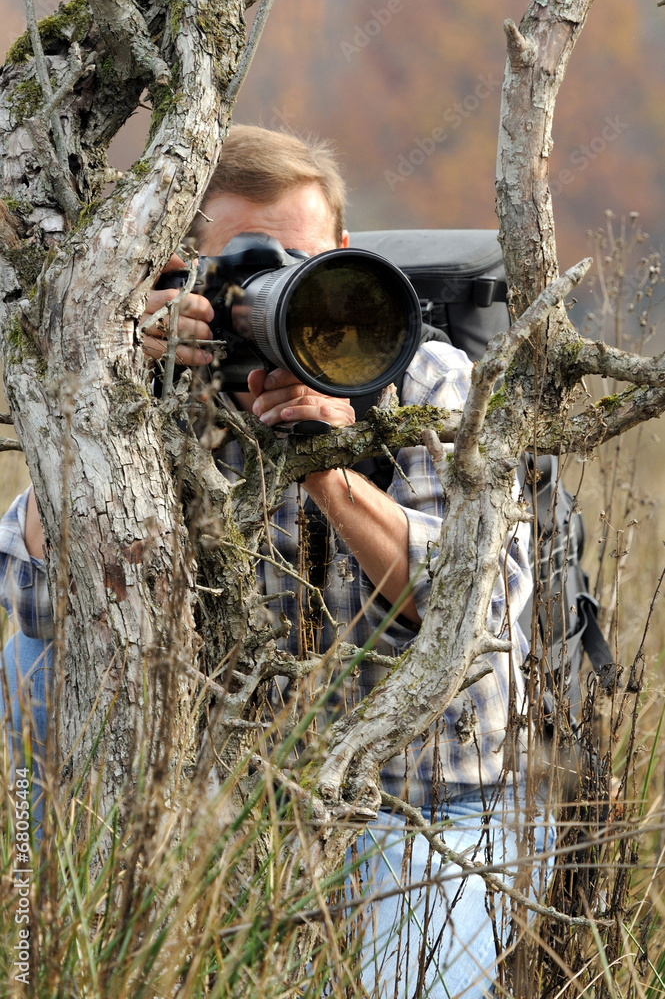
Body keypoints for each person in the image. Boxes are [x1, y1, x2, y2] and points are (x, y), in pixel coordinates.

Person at [0, 125, 548, 997]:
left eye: (297, 263)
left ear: (342, 255)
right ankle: (41, 917)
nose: (274, 293)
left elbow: (470, 609)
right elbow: (37, 615)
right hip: (212, 799)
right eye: (239, 270)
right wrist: (106, 402)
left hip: (423, 799)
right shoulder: (144, 395)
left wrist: (332, 468)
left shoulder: (432, 383)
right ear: (172, 274)